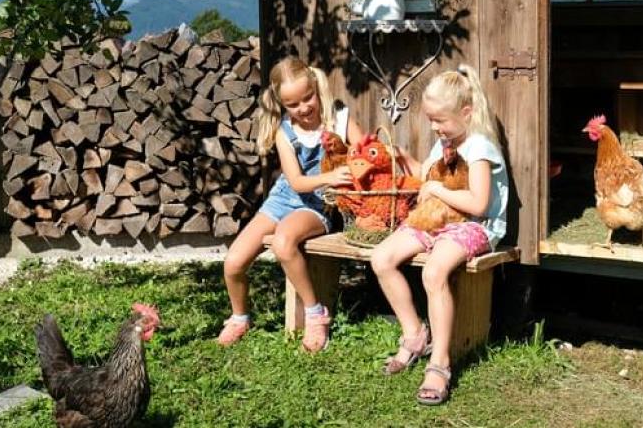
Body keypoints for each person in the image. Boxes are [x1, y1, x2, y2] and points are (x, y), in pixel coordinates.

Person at [370, 64, 509, 405]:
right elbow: (430, 176)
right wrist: (404, 160)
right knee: (381, 258)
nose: (434, 127)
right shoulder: (444, 143)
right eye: (431, 120)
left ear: (466, 113)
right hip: (437, 219)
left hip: (474, 225)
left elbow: (478, 203)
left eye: (440, 120)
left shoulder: (477, 148)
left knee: (434, 272)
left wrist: (436, 190)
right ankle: (414, 334)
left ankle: (440, 361)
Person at [218, 56, 363, 352]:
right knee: (233, 262)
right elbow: (295, 182)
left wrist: (348, 171)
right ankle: (239, 317)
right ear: (282, 104)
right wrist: (330, 176)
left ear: (316, 88)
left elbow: (366, 152)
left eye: (308, 98)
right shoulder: (284, 132)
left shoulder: (339, 119)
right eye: (293, 104)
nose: (303, 108)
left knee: (284, 242)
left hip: (318, 205)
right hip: (284, 198)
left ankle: (315, 313)